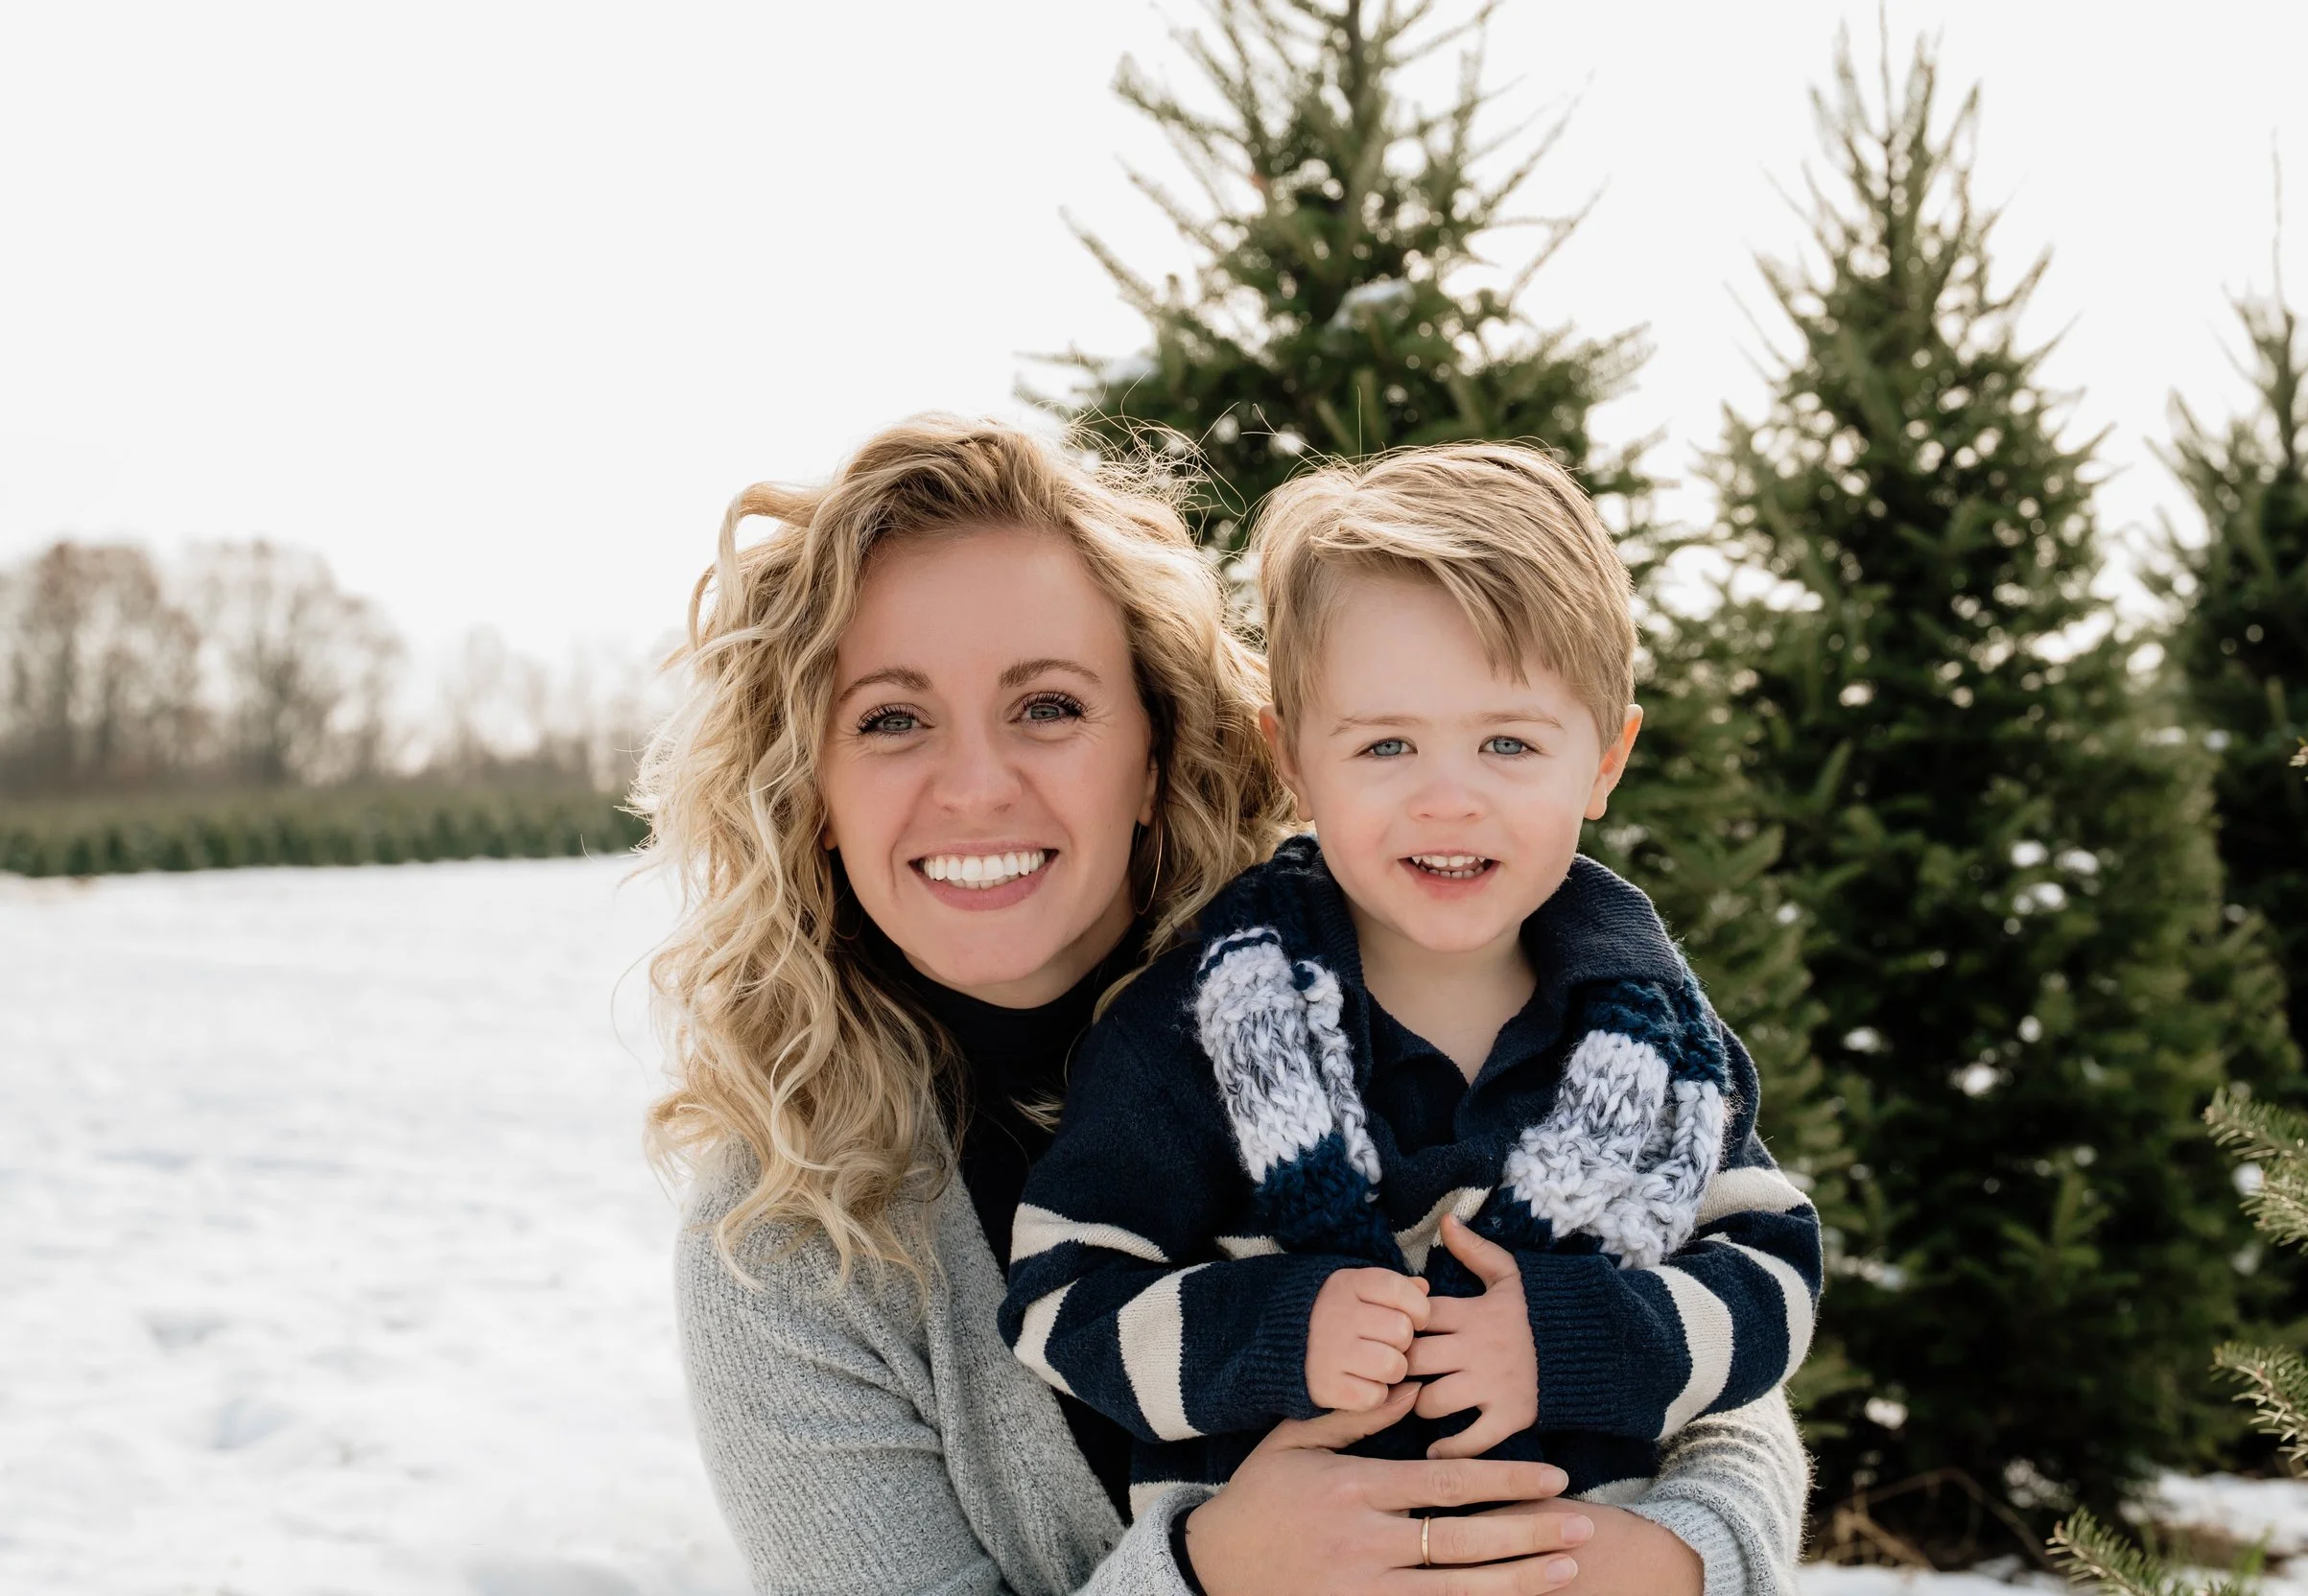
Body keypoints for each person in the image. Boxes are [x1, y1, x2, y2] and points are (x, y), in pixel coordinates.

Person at [637, 417, 1811, 1596]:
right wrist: (1208, 1575)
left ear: (1151, 745)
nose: (978, 782)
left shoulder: (1354, 961)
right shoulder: (785, 1238)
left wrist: (1683, 1554)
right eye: (891, 718)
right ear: (811, 788)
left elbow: (1709, 1347)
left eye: (1046, 704)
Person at [1000, 442, 1822, 1567]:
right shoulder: (1201, 1028)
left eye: (1508, 742)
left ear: (1605, 759)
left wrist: (1572, 1339)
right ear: (1292, 759)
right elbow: (1060, 1290)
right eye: (1385, 742)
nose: (1448, 796)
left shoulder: (1659, 1044)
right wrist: (1284, 1328)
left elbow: (1770, 1271)